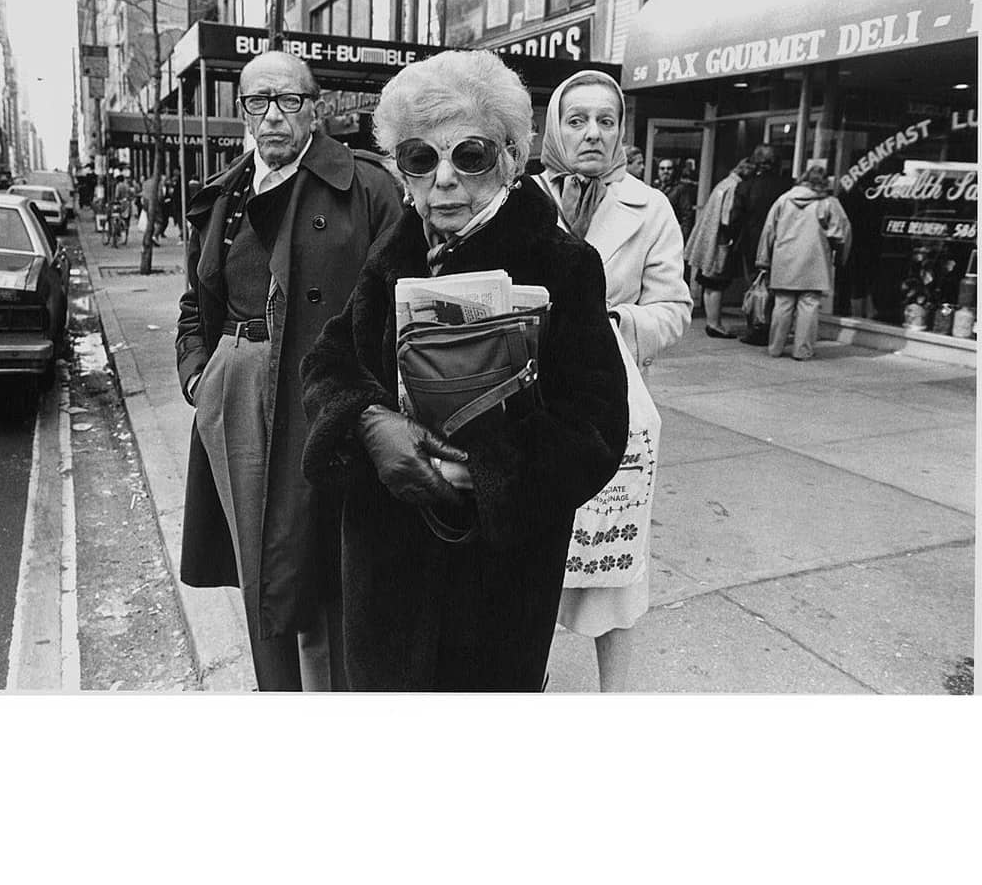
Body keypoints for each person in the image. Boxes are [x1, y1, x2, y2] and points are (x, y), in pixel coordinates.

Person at [299, 50, 628, 691]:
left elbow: (595, 433)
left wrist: (478, 468)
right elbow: (328, 360)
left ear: (509, 158)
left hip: (494, 589)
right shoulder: (395, 247)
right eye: (420, 158)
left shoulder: (563, 264)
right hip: (385, 579)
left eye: (469, 155)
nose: (444, 179)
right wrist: (367, 422)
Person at [175, 51, 403, 691]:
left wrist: (370, 399)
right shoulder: (223, 193)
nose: (273, 116)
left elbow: (398, 300)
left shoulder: (367, 186)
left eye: (289, 100)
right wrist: (198, 374)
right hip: (236, 382)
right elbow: (195, 301)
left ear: (315, 108)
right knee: (261, 563)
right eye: (258, 102)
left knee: (331, 560)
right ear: (242, 111)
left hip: (327, 391)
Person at [535, 70, 691, 692]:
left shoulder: (650, 208)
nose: (592, 133)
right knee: (532, 564)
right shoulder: (522, 200)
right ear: (555, 128)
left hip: (614, 405)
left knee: (613, 565)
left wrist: (611, 325)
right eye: (577, 120)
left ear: (622, 130)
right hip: (532, 403)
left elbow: (673, 309)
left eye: (606, 120)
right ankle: (527, 682)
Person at [756, 165, 852, 360]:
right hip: (815, 260)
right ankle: (802, 350)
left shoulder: (784, 200)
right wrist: (840, 257)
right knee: (809, 304)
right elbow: (841, 234)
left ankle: (775, 347)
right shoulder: (829, 203)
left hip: (785, 260)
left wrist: (763, 260)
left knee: (783, 304)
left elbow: (769, 231)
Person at [684, 157, 756, 338]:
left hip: (709, 238)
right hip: (720, 241)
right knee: (717, 282)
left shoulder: (724, 183)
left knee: (708, 282)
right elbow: (727, 218)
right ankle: (715, 324)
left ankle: (711, 322)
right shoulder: (735, 187)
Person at [730, 143, 792, 344]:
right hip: (783, 243)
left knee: (755, 286)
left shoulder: (746, 186)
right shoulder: (788, 186)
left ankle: (757, 327)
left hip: (752, 243)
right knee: (778, 290)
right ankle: (775, 329)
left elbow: (735, 218)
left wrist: (732, 239)